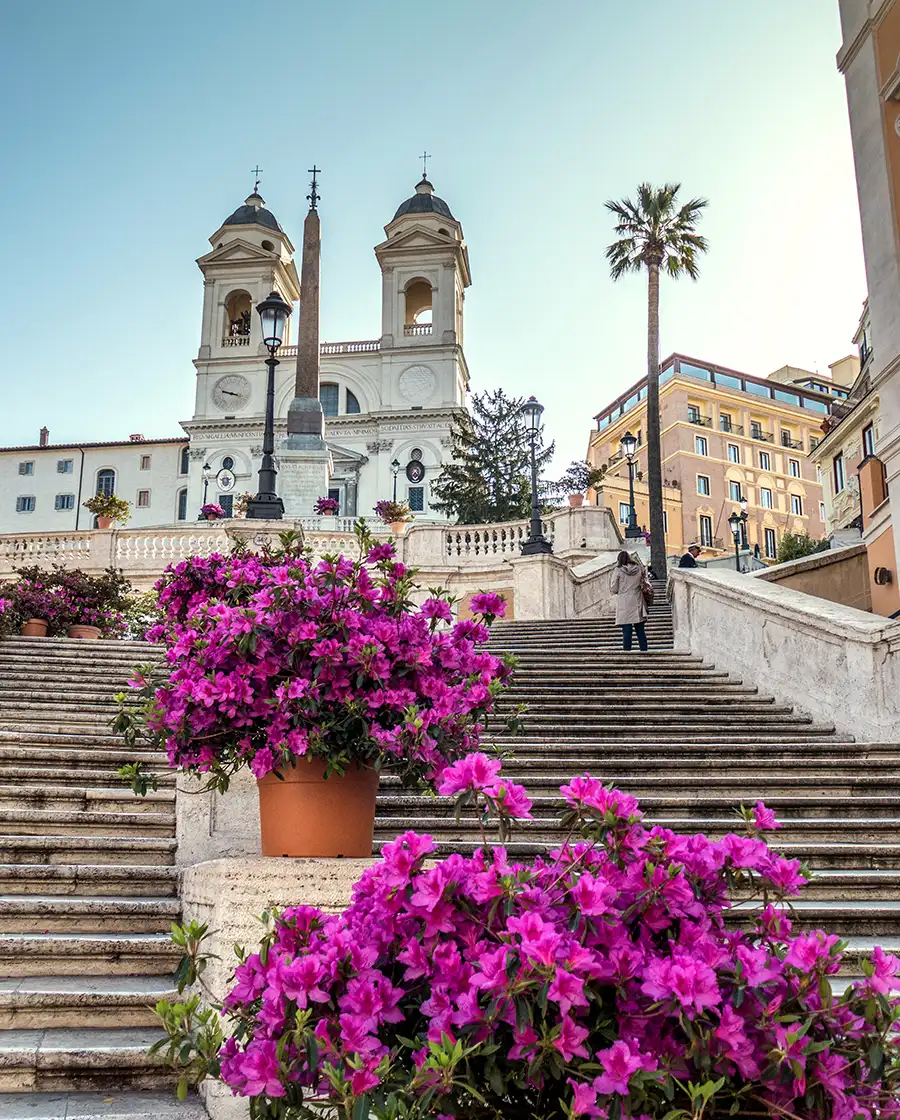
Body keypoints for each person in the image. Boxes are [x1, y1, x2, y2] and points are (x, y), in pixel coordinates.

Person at [610, 550, 648, 652]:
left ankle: (627, 653)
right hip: (637, 600)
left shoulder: (618, 570)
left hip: (624, 602)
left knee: (626, 631)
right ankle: (644, 652)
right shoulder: (639, 569)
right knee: (640, 631)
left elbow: (614, 588)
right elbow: (644, 583)